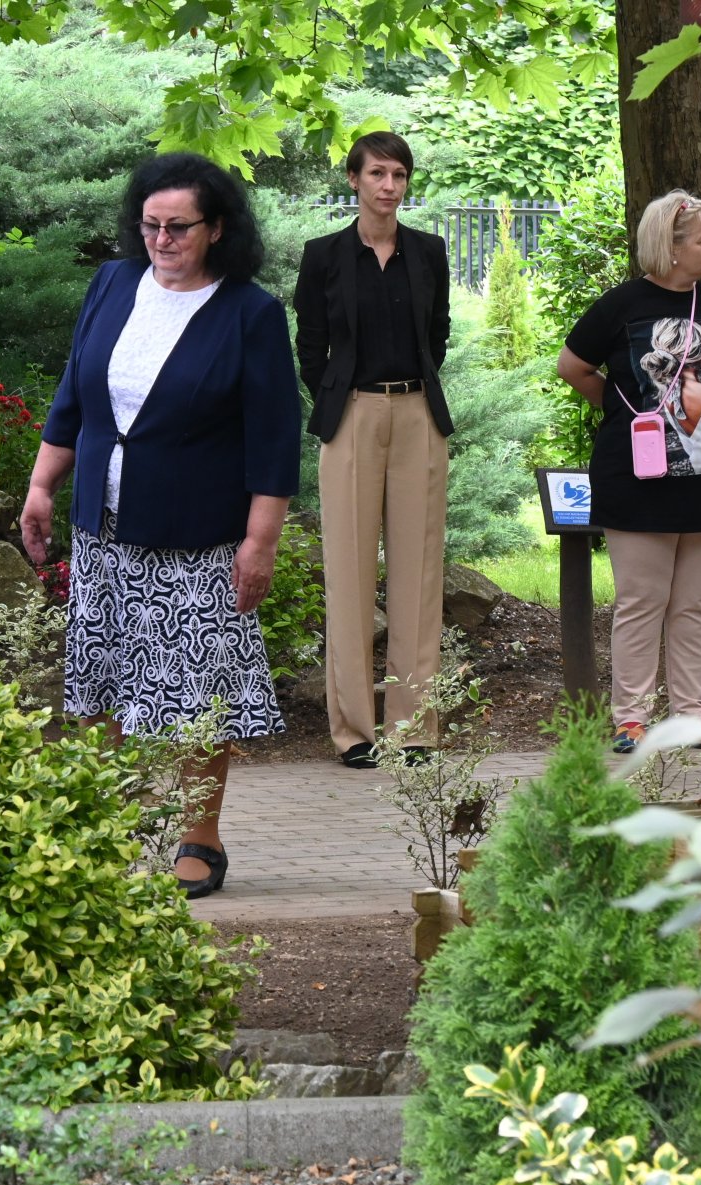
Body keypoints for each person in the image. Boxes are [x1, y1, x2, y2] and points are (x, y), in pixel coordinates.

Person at [19, 152, 300, 898]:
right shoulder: (112, 285)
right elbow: (73, 399)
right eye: (150, 225)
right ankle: (108, 829)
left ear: (217, 230)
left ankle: (200, 837)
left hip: (200, 537)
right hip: (105, 530)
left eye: (179, 227)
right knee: (100, 679)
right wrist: (43, 485)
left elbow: (275, 441)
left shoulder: (251, 314)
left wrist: (260, 541)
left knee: (199, 692)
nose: (162, 239)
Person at [556, 190, 701, 753]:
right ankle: (631, 717)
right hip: (638, 477)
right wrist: (625, 411)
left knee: (696, 602)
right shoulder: (621, 305)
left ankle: (691, 714)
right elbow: (574, 367)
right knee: (643, 600)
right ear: (671, 246)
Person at [291, 131, 453, 769]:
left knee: (418, 574)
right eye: (378, 174)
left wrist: (408, 398)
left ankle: (414, 729)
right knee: (350, 575)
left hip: (418, 414)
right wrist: (335, 394)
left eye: (400, 175)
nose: (390, 186)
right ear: (354, 180)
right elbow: (310, 341)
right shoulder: (325, 256)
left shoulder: (429, 253)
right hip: (352, 417)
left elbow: (435, 335)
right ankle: (355, 731)